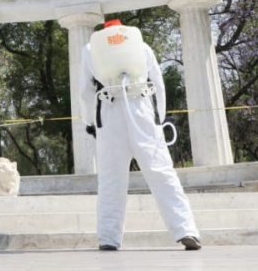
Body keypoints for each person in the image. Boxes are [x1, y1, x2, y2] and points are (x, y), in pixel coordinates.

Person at [79, 19, 202, 251]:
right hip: (142, 108)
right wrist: (160, 117)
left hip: (108, 110)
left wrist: (89, 121)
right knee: (162, 172)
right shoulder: (142, 46)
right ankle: (186, 230)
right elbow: (157, 82)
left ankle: (108, 238)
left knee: (111, 178)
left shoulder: (90, 49)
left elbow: (85, 89)